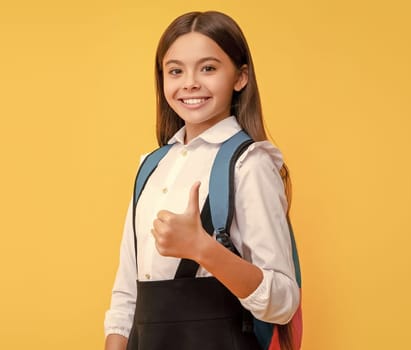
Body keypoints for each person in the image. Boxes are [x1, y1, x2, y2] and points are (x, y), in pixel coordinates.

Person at [103, 11, 300, 350]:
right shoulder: (151, 166)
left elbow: (283, 302)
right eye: (176, 70)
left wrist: (203, 249)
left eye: (208, 68)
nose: (190, 82)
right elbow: (127, 291)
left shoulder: (249, 165)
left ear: (240, 77)